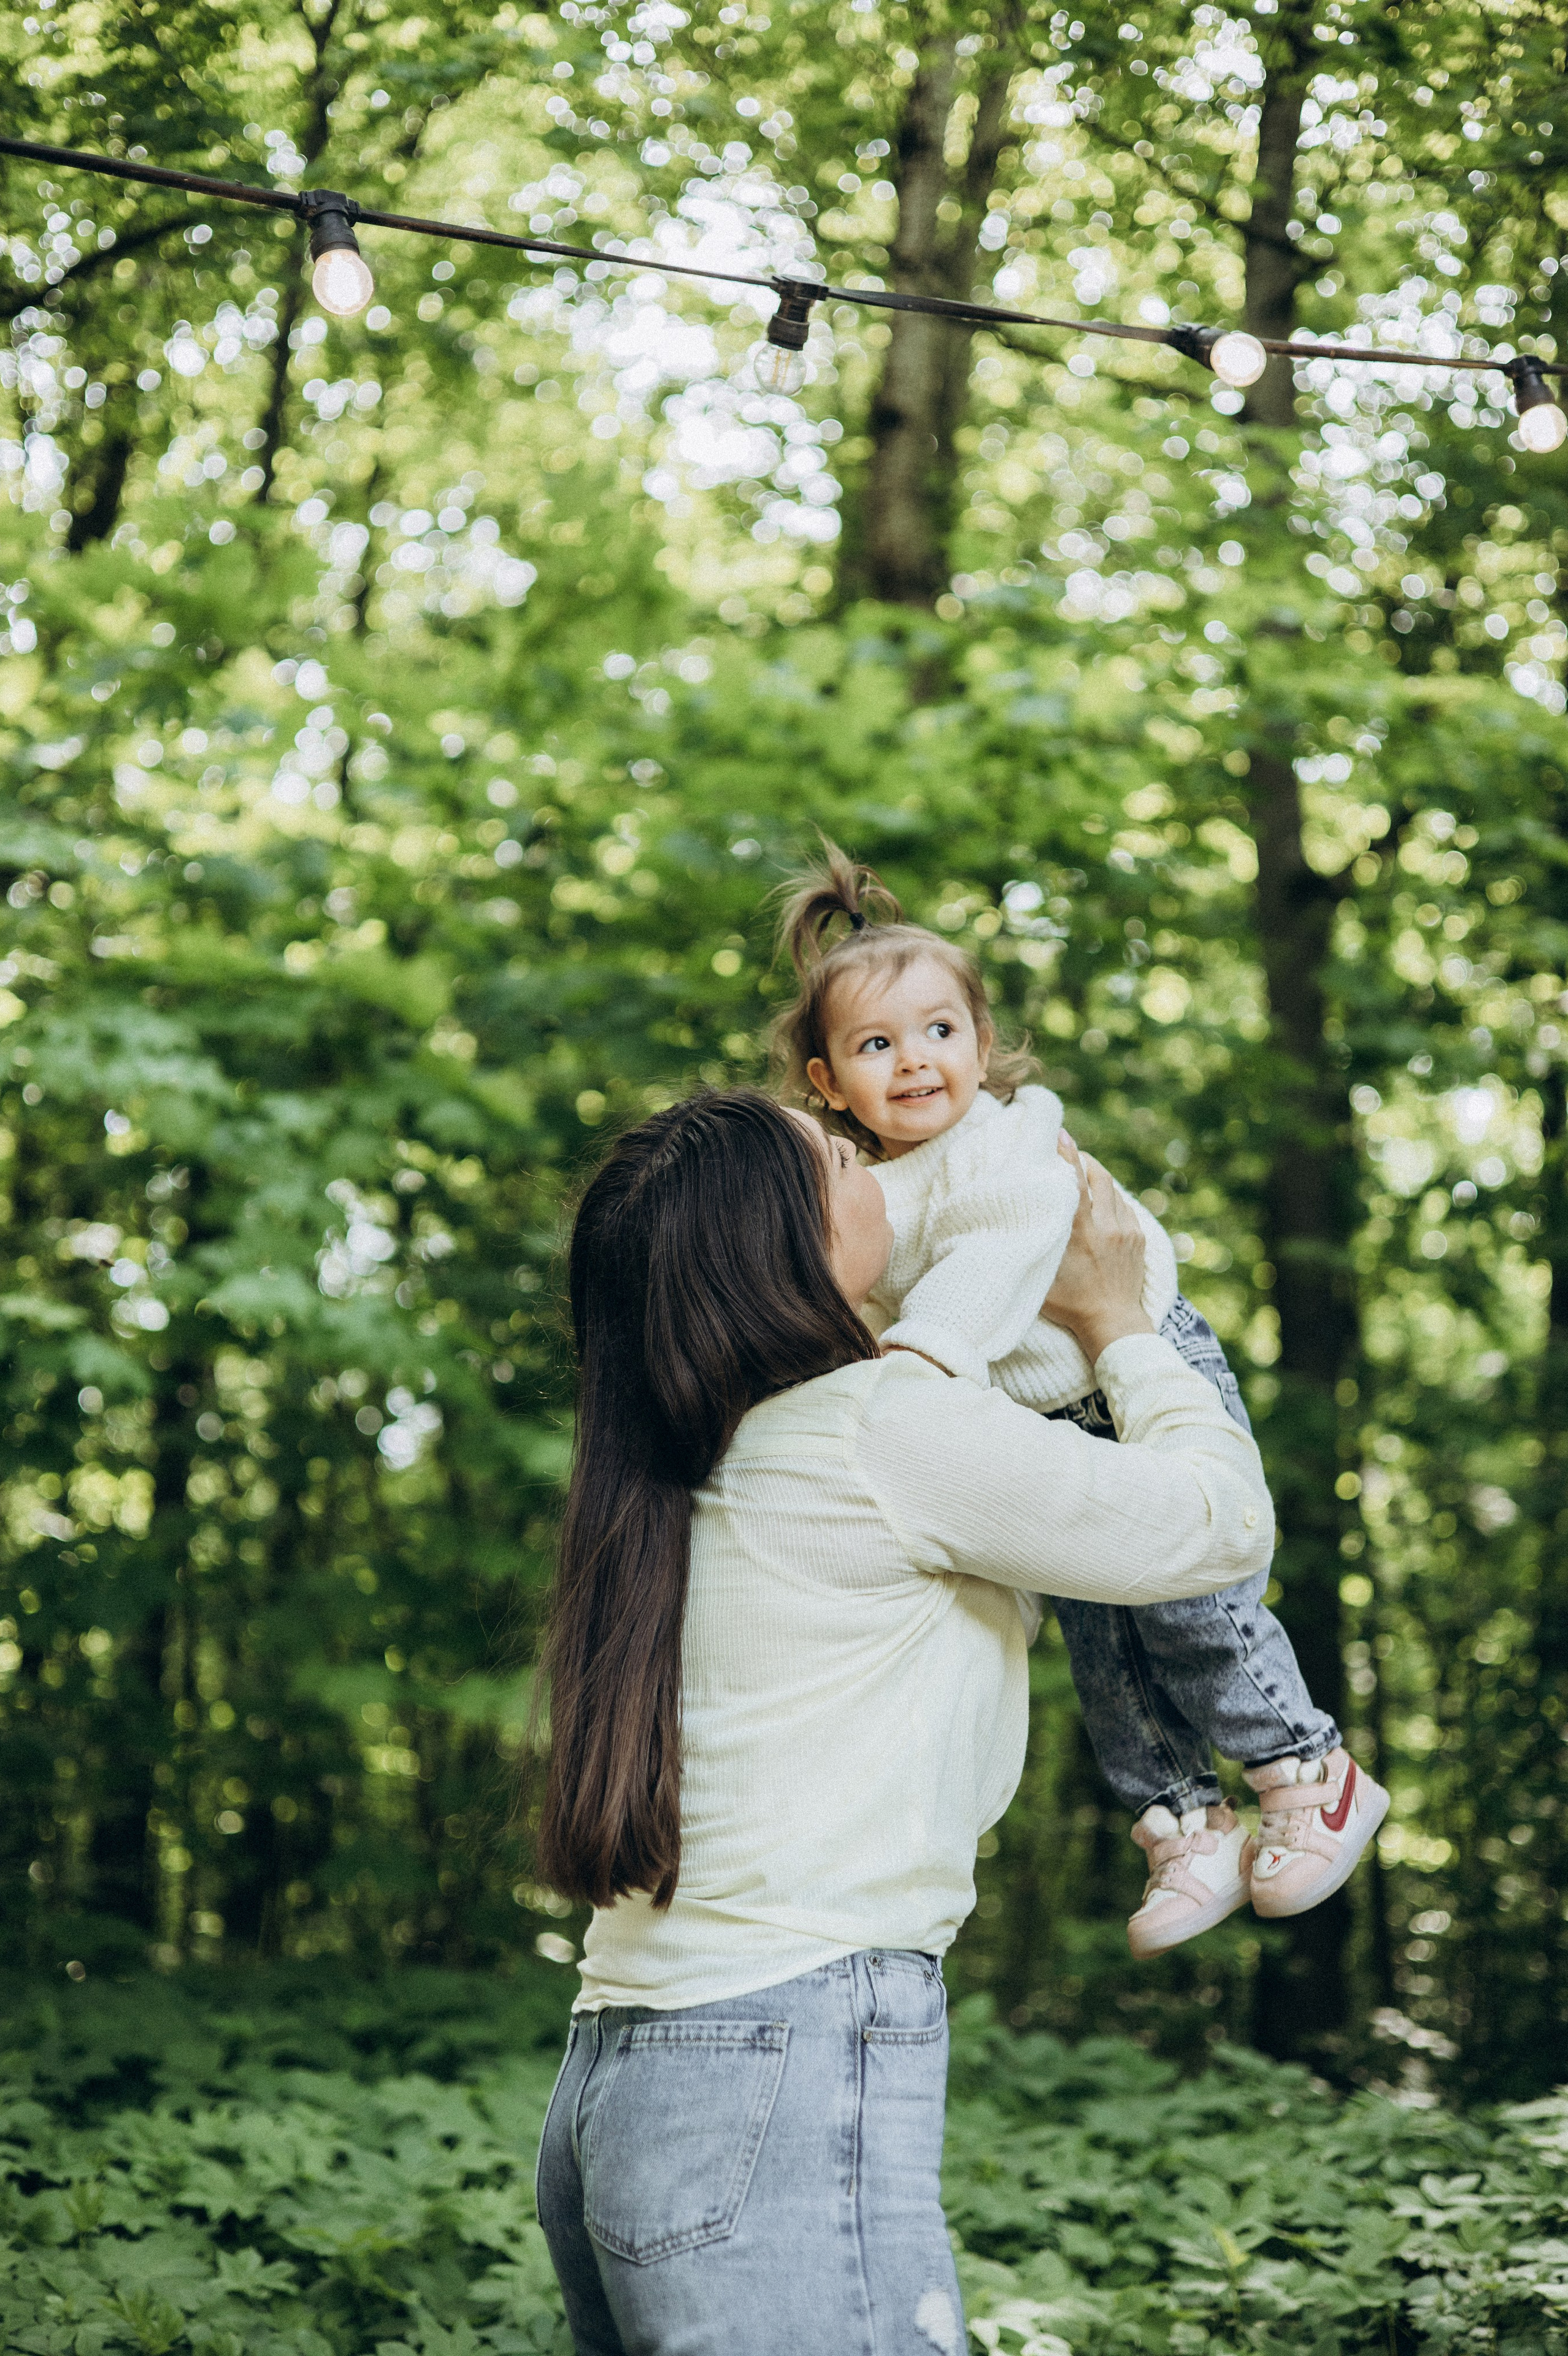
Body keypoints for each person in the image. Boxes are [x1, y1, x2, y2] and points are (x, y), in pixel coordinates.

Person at [533, 1084, 1274, 2355]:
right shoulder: (879, 1429)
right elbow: (1217, 1526)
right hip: (780, 2052)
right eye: (839, 1156)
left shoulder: (687, 1461)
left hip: (622, 2076)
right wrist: (1121, 1327)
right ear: (790, 1246)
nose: (878, 1162)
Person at [771, 842, 1387, 1958]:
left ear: (983, 1042)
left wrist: (918, 1367)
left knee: (1192, 1607)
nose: (915, 1061)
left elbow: (1000, 1253)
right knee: (1102, 1639)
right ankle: (1185, 1825)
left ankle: (1307, 1769)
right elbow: (853, 1307)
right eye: (876, 1045)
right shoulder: (864, 1193)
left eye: (939, 1031)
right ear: (828, 1082)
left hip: (1140, 1368)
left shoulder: (1007, 1140)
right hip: (1041, 1423)